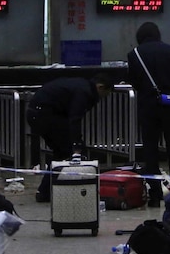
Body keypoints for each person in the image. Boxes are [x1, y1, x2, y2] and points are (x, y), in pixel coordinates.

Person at [26, 73, 114, 203]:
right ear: (100, 87)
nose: (103, 98)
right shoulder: (85, 92)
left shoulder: (81, 85)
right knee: (66, 152)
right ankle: (49, 191)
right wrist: (76, 145)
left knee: (61, 153)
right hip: (45, 115)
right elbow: (75, 118)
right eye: (105, 94)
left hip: (39, 113)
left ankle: (47, 191)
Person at [127, 21, 170, 208]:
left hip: (148, 107)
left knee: (150, 150)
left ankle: (154, 194)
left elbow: (134, 82)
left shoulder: (134, 54)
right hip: (169, 105)